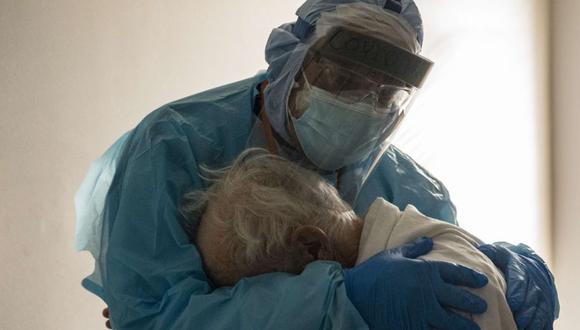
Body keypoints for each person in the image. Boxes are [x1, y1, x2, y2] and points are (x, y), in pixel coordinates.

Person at [75, 0, 559, 329]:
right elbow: (153, 318)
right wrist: (337, 300)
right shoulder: (174, 145)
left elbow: (456, 294)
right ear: (290, 58)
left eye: (386, 92)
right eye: (343, 78)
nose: (364, 103)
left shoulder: (413, 189)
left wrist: (508, 272)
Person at [183, 148, 517, 329]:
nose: (280, 307)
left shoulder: (440, 290)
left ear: (312, 247)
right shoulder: (410, 241)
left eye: (268, 289)